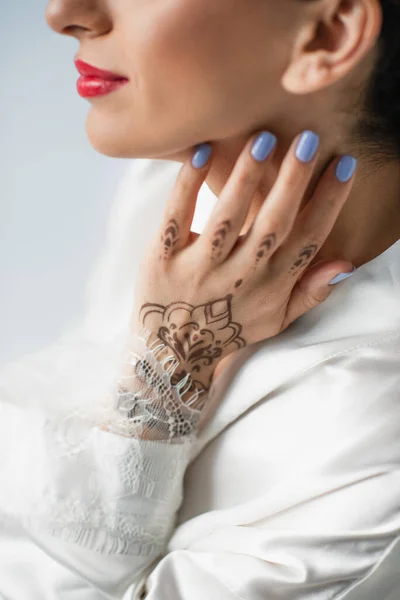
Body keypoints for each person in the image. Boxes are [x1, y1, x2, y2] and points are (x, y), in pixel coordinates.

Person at [0, 0, 399, 598]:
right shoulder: (180, 194)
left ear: (329, 33)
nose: (62, 13)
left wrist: (165, 372)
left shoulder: (373, 434)